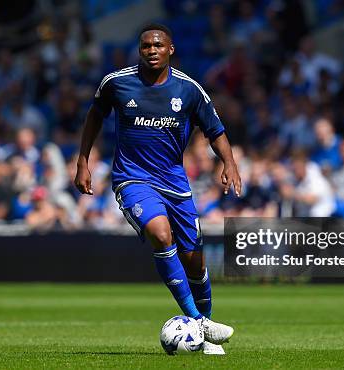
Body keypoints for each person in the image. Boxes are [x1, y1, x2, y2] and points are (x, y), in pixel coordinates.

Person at [74, 23, 240, 355]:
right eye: (146, 46)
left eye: (158, 45)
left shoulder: (189, 90)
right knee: (161, 235)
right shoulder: (116, 83)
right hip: (132, 178)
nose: (152, 50)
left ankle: (204, 331)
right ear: (140, 51)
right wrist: (83, 161)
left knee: (195, 261)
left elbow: (215, 129)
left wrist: (229, 162)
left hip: (174, 182)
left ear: (170, 50)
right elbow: (95, 116)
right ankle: (196, 318)